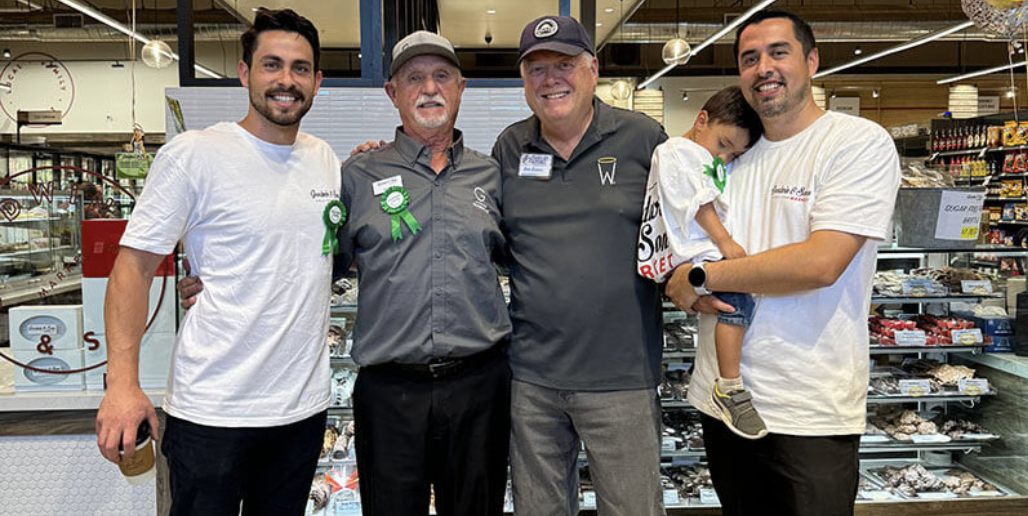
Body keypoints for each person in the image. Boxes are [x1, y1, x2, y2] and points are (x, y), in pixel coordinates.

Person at [95, 9, 339, 516]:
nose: (286, 81)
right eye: (272, 65)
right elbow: (132, 269)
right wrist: (122, 383)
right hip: (212, 412)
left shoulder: (325, 160)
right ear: (245, 72)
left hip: (301, 411)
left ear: (316, 81)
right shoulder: (194, 155)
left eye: (300, 68)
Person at [664, 9, 901, 516]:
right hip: (721, 402)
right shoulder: (730, 157)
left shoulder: (855, 143)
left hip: (809, 410)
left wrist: (700, 276)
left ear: (812, 61)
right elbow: (685, 241)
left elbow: (820, 264)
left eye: (778, 52)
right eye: (749, 59)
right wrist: (674, 282)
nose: (763, 68)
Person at [491, 16, 668, 516]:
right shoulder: (510, 146)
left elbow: (685, 226)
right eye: (537, 69)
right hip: (532, 380)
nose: (551, 79)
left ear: (592, 69)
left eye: (564, 65)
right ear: (525, 82)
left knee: (633, 508)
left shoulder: (642, 139)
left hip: (623, 378)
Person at [336, 31, 512, 516]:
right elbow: (312, 266)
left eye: (441, 77)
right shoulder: (356, 177)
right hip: (389, 392)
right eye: (414, 78)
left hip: (480, 386)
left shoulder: (492, 176)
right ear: (393, 93)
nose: (429, 89)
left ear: (460, 88)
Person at [636, 86, 767, 439]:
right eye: (723, 144)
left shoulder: (696, 156)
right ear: (701, 120)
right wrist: (726, 244)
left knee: (733, 305)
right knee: (736, 304)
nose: (724, 157)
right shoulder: (681, 151)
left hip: (686, 253)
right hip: (694, 251)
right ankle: (730, 386)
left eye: (734, 153)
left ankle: (729, 384)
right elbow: (700, 205)